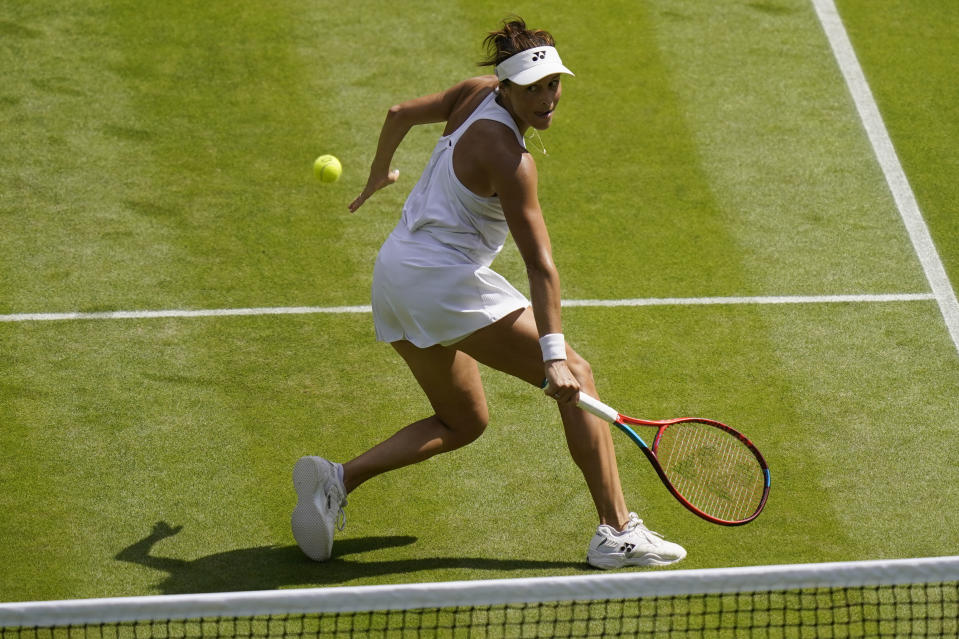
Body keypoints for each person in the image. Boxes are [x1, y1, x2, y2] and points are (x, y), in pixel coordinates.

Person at [292, 17, 686, 570]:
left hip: (394, 276)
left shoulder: (473, 93)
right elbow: (540, 266)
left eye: (553, 84)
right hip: (440, 285)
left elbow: (398, 113)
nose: (548, 99)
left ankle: (337, 481)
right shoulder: (510, 159)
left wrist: (381, 172)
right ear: (506, 87)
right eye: (533, 90)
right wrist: (554, 359)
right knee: (579, 370)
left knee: (463, 422)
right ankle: (616, 531)